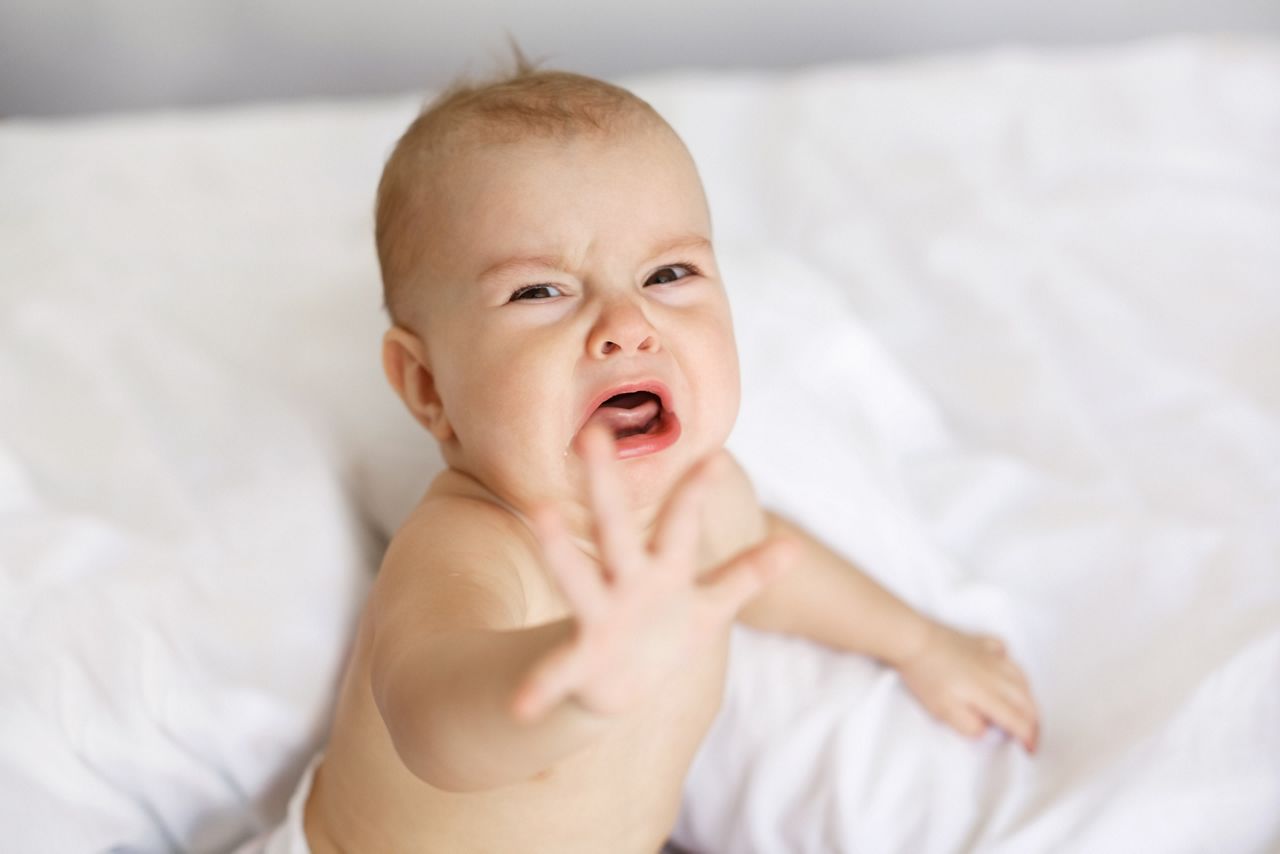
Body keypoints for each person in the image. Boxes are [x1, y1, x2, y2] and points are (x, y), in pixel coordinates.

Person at [241, 53, 1039, 854]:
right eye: (539, 291)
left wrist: (919, 643)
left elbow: (766, 568)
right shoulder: (474, 548)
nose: (626, 323)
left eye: (668, 273)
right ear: (427, 388)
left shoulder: (705, 496)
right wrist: (580, 675)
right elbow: (428, 716)